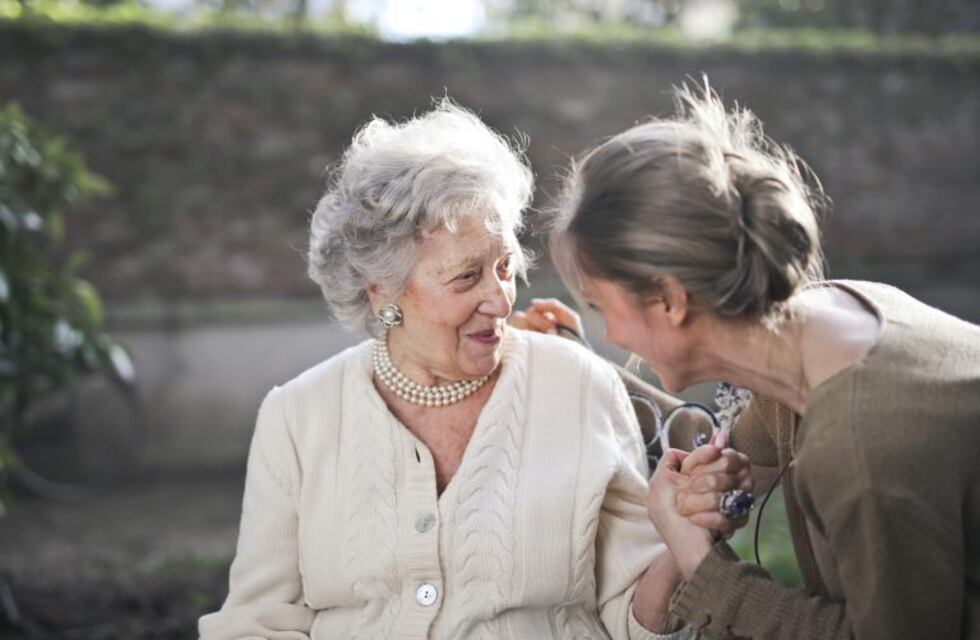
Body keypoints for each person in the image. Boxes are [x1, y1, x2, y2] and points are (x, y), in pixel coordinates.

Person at [198, 101, 748, 639]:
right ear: (382, 291)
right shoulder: (297, 416)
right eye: (466, 278)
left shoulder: (579, 385)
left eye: (505, 267)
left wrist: (683, 537)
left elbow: (631, 615)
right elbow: (257, 621)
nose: (500, 299)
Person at [543, 80, 980, 639]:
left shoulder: (860, 446)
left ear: (671, 301)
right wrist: (707, 492)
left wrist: (706, 570)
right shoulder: (826, 320)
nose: (610, 332)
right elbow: (744, 458)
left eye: (603, 306)